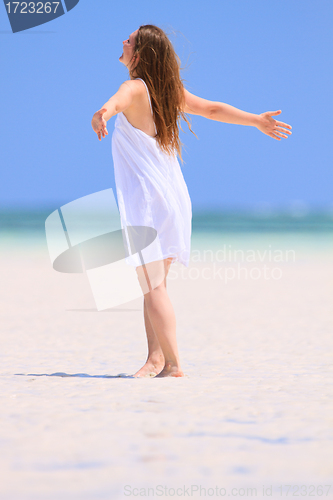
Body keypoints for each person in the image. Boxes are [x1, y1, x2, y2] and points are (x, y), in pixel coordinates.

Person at [91, 24, 292, 378]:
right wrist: (256, 121)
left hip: (149, 201)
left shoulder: (135, 88)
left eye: (130, 40)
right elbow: (213, 109)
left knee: (152, 285)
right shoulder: (169, 93)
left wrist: (102, 113)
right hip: (172, 199)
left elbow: (117, 100)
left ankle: (173, 364)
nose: (123, 41)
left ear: (139, 55)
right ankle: (155, 359)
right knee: (157, 285)